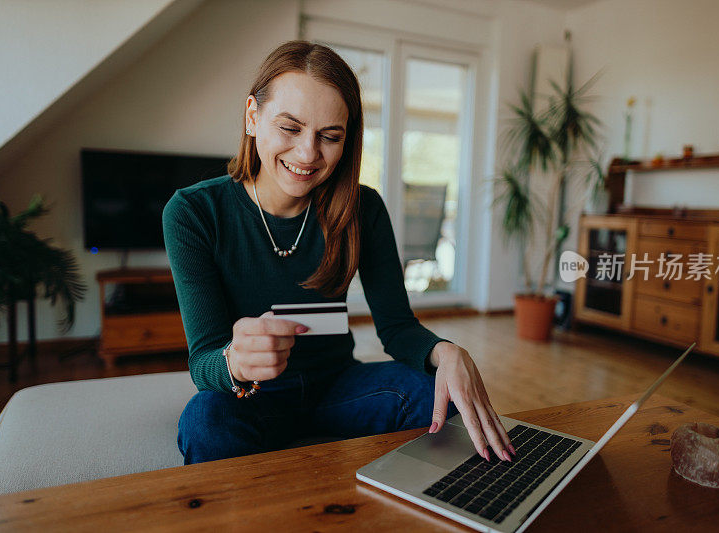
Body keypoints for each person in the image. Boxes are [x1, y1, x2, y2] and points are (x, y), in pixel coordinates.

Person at [163, 40, 515, 466]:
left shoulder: (363, 208)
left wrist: (447, 353)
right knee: (205, 421)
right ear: (253, 117)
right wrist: (234, 362)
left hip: (338, 388)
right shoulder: (193, 212)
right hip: (253, 397)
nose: (308, 154)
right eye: (290, 128)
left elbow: (397, 327)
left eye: (329, 137)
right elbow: (204, 361)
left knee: (436, 395)